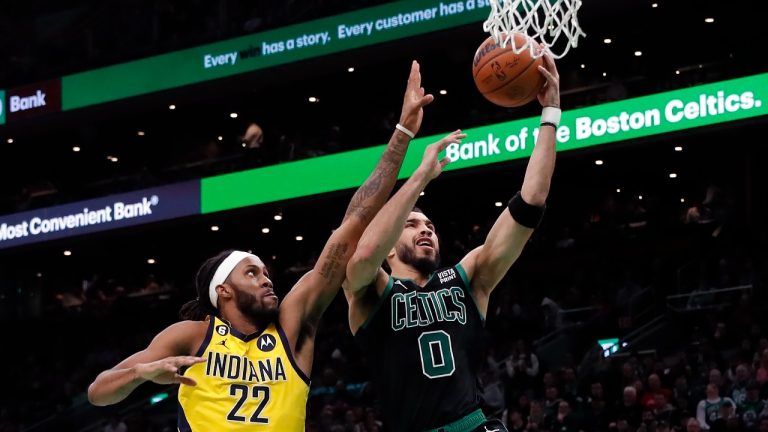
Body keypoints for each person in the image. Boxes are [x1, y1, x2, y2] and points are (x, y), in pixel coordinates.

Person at [86, 60, 437, 431]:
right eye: (252, 273)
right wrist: (143, 371)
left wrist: (401, 135)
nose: (267, 279)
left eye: (265, 272)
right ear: (223, 291)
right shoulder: (192, 335)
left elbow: (353, 223)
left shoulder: (291, 325)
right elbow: (98, 392)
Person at [342, 53, 560, 431]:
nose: (426, 229)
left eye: (431, 225)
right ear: (390, 245)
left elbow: (530, 204)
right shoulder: (372, 292)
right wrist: (420, 178)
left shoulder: (467, 278)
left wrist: (550, 115)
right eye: (412, 224)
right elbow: (361, 254)